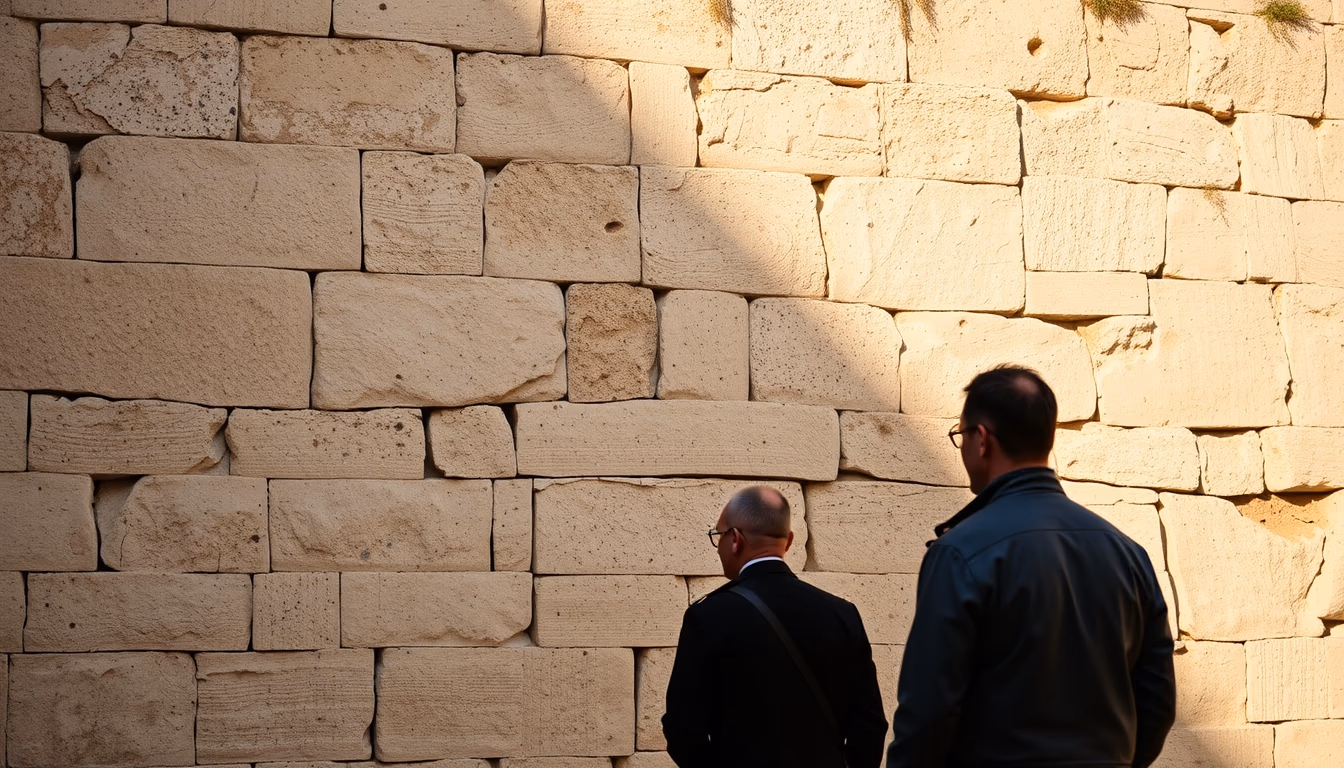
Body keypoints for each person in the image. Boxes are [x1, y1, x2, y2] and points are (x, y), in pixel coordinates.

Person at [887, 365, 1176, 768]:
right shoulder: (1128, 553)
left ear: (982, 439)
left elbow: (929, 712)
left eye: (961, 436)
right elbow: (1156, 702)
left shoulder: (960, 553)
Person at [662, 485, 889, 768]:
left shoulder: (709, 616)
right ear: (790, 541)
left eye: (718, 536)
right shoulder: (842, 614)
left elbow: (682, 730)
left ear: (735, 539)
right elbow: (869, 726)